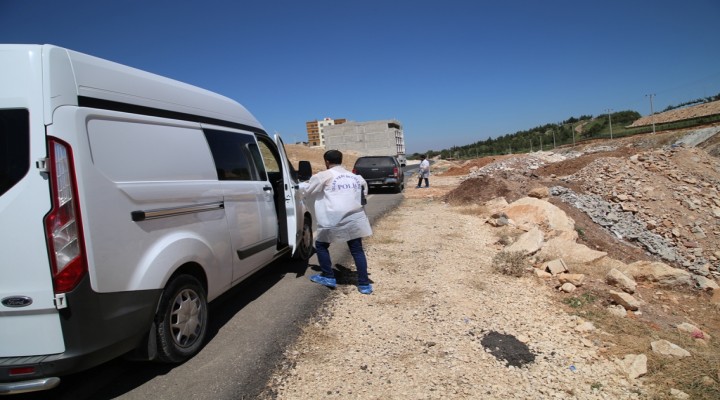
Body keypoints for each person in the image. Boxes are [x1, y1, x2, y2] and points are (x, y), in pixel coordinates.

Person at [299, 150, 374, 294]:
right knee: (357, 250)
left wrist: (298, 187)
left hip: (333, 219)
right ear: (341, 160)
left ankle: (328, 276)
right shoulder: (355, 177)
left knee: (321, 245)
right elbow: (363, 194)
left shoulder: (323, 176)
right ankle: (364, 285)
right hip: (355, 218)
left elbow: (307, 191)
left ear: (326, 161)